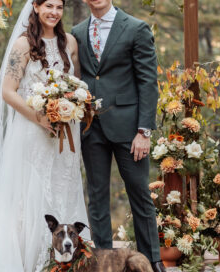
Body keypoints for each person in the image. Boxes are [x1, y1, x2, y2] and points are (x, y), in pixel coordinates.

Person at [0, 0, 89, 271]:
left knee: (63, 189)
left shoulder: (70, 43)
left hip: (65, 136)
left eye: (59, 7)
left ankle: (64, 262)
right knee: (31, 195)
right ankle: (31, 260)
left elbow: (76, 84)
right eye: (48, 5)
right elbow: (8, 91)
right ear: (36, 7)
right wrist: (40, 117)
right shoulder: (22, 45)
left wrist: (69, 107)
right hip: (32, 131)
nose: (54, 12)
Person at [71, 0, 165, 271]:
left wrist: (144, 131)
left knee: (139, 194)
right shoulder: (77, 32)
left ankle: (152, 260)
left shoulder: (136, 28)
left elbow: (148, 82)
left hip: (129, 129)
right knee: (97, 196)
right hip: (92, 127)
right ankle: (103, 261)